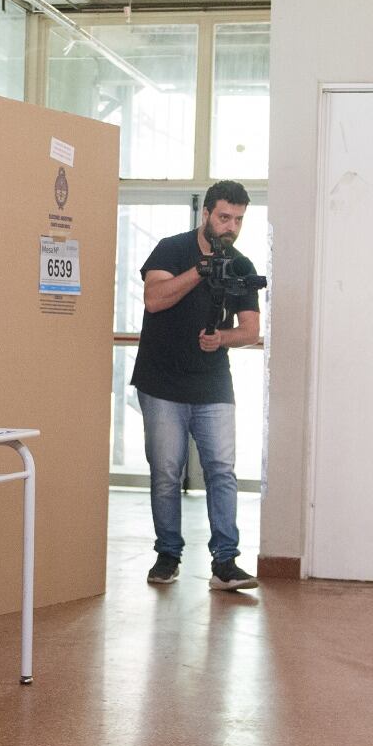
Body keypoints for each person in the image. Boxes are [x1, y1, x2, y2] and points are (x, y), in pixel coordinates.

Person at [131, 181, 263, 591]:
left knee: (222, 471)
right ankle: (168, 553)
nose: (231, 226)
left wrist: (221, 338)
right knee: (167, 472)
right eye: (224, 217)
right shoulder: (172, 249)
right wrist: (199, 272)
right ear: (205, 214)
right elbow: (154, 299)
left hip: (212, 384)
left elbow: (252, 331)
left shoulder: (240, 264)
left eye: (238, 219)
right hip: (161, 381)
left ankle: (225, 561)